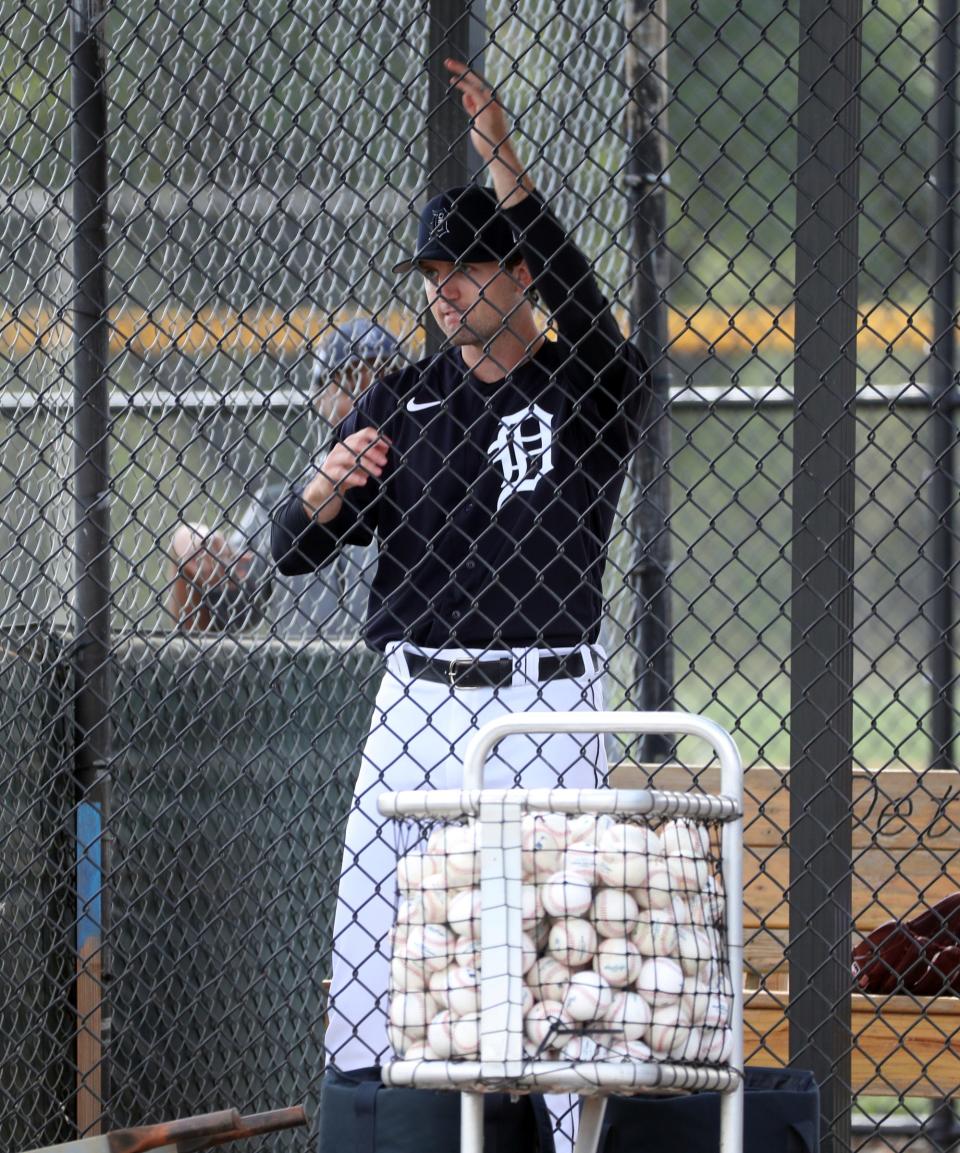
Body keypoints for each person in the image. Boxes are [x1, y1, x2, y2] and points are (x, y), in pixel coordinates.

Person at [271, 61, 648, 1145]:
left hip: (542, 705)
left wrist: (504, 159)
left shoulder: (585, 388)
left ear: (518, 274)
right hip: (415, 706)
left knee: (564, 960)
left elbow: (587, 304)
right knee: (370, 945)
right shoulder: (405, 397)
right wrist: (320, 489)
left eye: (470, 266)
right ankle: (375, 1128)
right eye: (434, 270)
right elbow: (300, 553)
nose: (445, 287)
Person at [167, 318, 398, 637]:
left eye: (385, 381)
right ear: (321, 398)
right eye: (349, 380)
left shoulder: (431, 489)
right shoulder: (278, 504)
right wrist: (186, 553)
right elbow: (210, 627)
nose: (368, 396)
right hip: (305, 681)